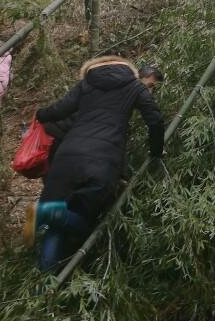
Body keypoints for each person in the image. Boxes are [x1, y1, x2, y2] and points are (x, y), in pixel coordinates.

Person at [25, 55, 165, 273]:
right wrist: (156, 151)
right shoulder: (134, 87)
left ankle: (46, 280)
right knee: (84, 221)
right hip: (102, 160)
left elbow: (59, 110)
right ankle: (46, 214)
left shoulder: (87, 85)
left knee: (56, 226)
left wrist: (40, 114)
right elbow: (155, 120)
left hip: (66, 156)